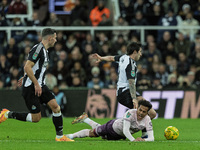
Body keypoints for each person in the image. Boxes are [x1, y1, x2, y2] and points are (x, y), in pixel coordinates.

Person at [0, 28, 74, 142]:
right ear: (50, 38)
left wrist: (25, 76)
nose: (56, 39)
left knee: (56, 107)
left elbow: (31, 67)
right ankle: (7, 114)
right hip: (31, 87)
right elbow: (27, 66)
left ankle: (60, 137)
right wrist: (35, 83)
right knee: (36, 118)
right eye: (55, 37)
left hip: (40, 85)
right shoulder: (38, 49)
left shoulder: (45, 50)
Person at [92, 42, 156, 137]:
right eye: (140, 52)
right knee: (150, 113)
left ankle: (135, 132)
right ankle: (133, 132)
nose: (141, 54)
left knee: (147, 113)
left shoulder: (123, 57)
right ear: (135, 52)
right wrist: (134, 98)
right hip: (126, 92)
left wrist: (101, 58)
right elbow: (131, 82)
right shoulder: (131, 64)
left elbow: (111, 58)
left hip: (122, 92)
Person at [66, 100, 154, 142]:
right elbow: (125, 130)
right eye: (140, 110)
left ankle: (85, 119)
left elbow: (152, 138)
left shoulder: (147, 120)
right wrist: (133, 140)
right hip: (111, 127)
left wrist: (143, 140)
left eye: (144, 111)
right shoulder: (130, 113)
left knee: (103, 136)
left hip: (119, 136)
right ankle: (70, 136)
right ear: (137, 108)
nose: (141, 113)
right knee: (94, 134)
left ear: (147, 113)